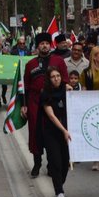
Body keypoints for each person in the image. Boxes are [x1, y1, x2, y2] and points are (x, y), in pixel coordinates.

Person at [24, 33, 68, 179]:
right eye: (42, 43)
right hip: (35, 102)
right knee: (36, 133)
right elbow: (26, 86)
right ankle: (37, 164)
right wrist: (24, 105)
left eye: (47, 43)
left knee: (52, 132)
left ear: (51, 45)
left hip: (53, 101)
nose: (45, 46)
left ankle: (51, 165)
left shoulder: (58, 61)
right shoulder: (30, 64)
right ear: (37, 46)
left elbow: (65, 81)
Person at [40, 66, 71, 197]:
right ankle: (59, 192)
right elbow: (51, 116)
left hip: (67, 133)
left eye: (58, 75)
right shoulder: (45, 94)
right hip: (52, 133)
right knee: (56, 163)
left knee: (66, 163)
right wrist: (63, 130)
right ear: (49, 79)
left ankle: (59, 184)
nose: (56, 78)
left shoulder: (67, 89)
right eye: (53, 76)